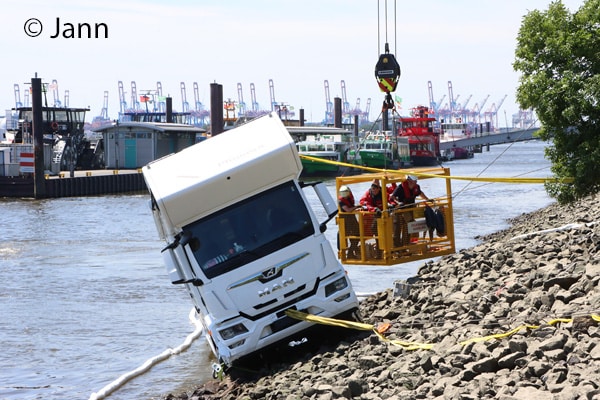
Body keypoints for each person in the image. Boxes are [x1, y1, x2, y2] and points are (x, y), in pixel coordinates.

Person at [391, 175, 432, 246]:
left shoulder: (416, 187)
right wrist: (398, 203)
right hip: (401, 211)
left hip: (411, 209)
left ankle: (406, 244)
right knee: (398, 229)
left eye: (416, 181)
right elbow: (392, 197)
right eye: (414, 181)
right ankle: (397, 246)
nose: (415, 182)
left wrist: (427, 199)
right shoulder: (400, 187)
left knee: (409, 228)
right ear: (409, 181)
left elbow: (420, 193)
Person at [338, 185, 361, 259]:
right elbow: (348, 210)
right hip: (346, 221)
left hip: (352, 219)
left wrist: (357, 209)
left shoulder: (349, 198)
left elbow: (351, 208)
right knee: (353, 236)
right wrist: (357, 207)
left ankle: (352, 251)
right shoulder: (341, 201)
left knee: (358, 235)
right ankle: (351, 253)